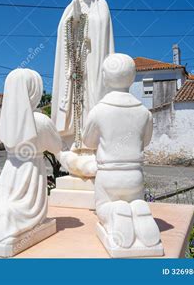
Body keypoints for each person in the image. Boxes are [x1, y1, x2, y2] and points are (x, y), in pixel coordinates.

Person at [0, 69, 62, 243]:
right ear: (33, 91)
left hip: (10, 171)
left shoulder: (7, 122)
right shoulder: (41, 120)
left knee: (3, 203)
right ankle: (8, 221)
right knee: (23, 208)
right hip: (31, 171)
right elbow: (56, 146)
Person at [82, 54, 161, 250]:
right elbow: (146, 141)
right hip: (134, 175)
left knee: (102, 207)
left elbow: (88, 141)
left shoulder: (99, 110)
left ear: (105, 77)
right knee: (134, 200)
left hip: (109, 175)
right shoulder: (144, 112)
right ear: (133, 77)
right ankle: (137, 208)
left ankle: (114, 212)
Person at [52, 0, 114, 145]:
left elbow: (101, 31)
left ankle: (92, 138)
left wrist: (85, 22)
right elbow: (63, 30)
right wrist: (75, 19)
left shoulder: (101, 6)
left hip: (93, 60)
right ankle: (76, 139)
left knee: (92, 96)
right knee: (75, 98)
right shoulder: (71, 7)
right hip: (76, 63)